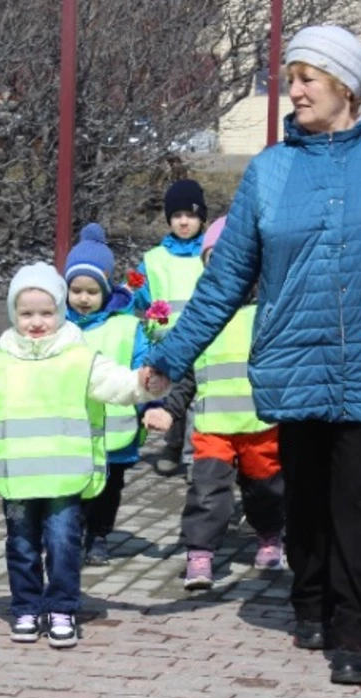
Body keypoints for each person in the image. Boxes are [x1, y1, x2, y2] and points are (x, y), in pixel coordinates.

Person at [141, 25, 361, 686]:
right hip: (295, 360)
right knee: (305, 500)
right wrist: (172, 356)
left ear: (345, 84)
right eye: (290, 78)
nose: (293, 91)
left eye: (306, 78)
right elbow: (225, 279)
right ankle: (310, 596)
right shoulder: (272, 169)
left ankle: (355, 631)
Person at [0, 262, 166, 649]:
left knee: (64, 543)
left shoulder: (80, 358)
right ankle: (26, 607)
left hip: (65, 476)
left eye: (46, 312)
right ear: (13, 314)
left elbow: (116, 383)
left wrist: (143, 384)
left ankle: (62, 607)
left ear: (61, 311)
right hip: (18, 478)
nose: (36, 322)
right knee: (21, 546)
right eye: (26, 313)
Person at [143, 216, 285, 590]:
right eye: (215, 262)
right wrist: (168, 409)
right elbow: (187, 375)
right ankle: (200, 553)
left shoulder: (268, 314)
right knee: (207, 493)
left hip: (261, 427)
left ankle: (270, 536)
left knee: (267, 493)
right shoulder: (201, 320)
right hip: (212, 428)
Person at [63, 223, 151, 566]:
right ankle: (71, 534)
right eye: (76, 290)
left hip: (116, 429)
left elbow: (143, 367)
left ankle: (98, 534)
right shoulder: (57, 328)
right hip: (71, 430)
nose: (83, 299)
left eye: (91, 291)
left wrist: (152, 404)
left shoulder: (127, 327)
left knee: (109, 488)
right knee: (73, 487)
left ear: (106, 290)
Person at [132, 179, 207, 476]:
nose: (184, 222)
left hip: (204, 342)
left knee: (199, 400)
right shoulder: (154, 259)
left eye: (191, 215)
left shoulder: (211, 255)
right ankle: (173, 446)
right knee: (172, 396)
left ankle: (195, 457)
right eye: (177, 216)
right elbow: (136, 293)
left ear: (201, 218)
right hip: (167, 343)